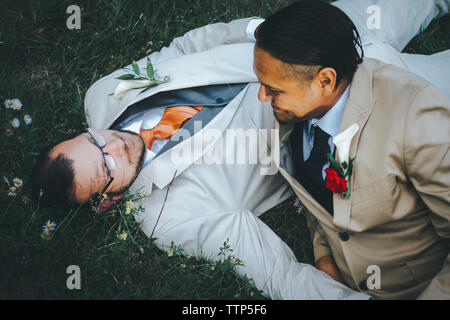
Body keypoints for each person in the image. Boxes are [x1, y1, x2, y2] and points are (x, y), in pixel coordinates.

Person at [30, 0, 448, 299]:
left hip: (290, 52)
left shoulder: (102, 96)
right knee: (427, 92)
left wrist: (256, 34)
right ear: (110, 201)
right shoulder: (167, 217)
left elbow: (179, 52)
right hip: (316, 120)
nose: (112, 145)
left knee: (382, 11)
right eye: (106, 167)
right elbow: (271, 269)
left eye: (93, 140)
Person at [252, 0, 450, 299]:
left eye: (274, 89)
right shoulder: (295, 115)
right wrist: (323, 253)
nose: (262, 96)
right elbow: (316, 199)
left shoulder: (417, 119)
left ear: (326, 80)